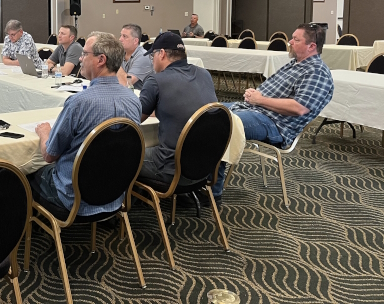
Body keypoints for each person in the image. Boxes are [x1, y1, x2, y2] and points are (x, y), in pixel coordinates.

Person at [215, 23, 334, 196]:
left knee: (218, 125)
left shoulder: (317, 72)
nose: (290, 42)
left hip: (274, 124)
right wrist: (255, 94)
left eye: (295, 39)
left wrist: (260, 99)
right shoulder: (295, 64)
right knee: (205, 111)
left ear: (312, 46)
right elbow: (270, 91)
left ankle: (212, 191)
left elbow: (299, 108)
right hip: (254, 110)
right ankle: (189, 175)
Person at [32, 32, 142, 215]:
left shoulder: (79, 103)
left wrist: (45, 132)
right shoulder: (133, 100)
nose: (80, 59)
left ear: (101, 59)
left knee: (29, 174)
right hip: (115, 194)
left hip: (74, 198)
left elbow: (49, 155)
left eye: (85, 54)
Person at [137, 32, 217, 185]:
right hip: (205, 164)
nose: (152, 60)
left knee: (121, 154)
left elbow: (134, 120)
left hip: (171, 167)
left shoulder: (156, 80)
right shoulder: (204, 74)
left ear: (161, 54)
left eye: (152, 55)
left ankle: (126, 203)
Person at [116, 23, 153, 89]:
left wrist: (114, 62)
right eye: (120, 35)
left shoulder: (143, 56)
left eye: (124, 36)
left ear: (135, 41)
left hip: (140, 96)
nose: (120, 39)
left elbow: (126, 83)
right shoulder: (122, 53)